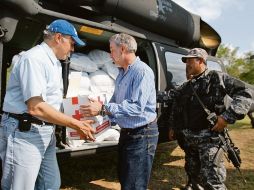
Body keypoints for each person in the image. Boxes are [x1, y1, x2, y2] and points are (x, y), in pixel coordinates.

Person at [0, 19, 95, 190]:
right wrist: (75, 124)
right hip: (25, 132)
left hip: (44, 132)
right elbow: (35, 106)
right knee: (20, 186)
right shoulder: (34, 59)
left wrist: (78, 114)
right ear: (59, 38)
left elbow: (51, 101)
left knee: (50, 184)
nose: (73, 49)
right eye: (72, 43)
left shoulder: (53, 62)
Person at [80, 33, 159, 190]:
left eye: (112, 50)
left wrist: (102, 108)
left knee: (134, 183)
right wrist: (98, 120)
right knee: (125, 177)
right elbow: (115, 103)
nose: (110, 54)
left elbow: (136, 107)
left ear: (122, 49)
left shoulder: (142, 72)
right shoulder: (122, 73)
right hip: (128, 133)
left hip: (142, 134)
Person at [169, 48, 253, 190]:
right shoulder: (187, 86)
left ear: (200, 61)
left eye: (189, 61)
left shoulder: (217, 77)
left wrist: (227, 117)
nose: (186, 64)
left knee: (213, 182)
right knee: (193, 176)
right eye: (186, 61)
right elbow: (174, 103)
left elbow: (247, 93)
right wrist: (173, 127)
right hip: (190, 141)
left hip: (210, 140)